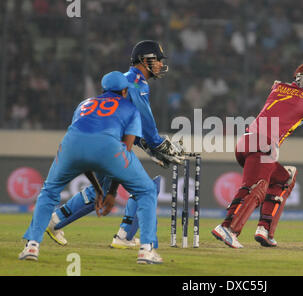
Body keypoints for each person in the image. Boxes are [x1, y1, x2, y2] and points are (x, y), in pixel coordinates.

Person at [45, 40, 183, 250]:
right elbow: (145, 122)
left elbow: (131, 125)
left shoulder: (128, 80)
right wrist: (158, 144)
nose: (160, 65)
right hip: (111, 147)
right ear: (145, 60)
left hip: (101, 141)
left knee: (97, 192)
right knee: (146, 189)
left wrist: (149, 146)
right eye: (157, 60)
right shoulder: (136, 84)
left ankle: (54, 221)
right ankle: (125, 237)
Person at [19, 71, 163, 264]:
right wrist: (110, 192)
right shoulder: (130, 109)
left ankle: (32, 246)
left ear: (103, 89)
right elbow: (125, 151)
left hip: (71, 145)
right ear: (123, 90)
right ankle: (146, 250)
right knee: (146, 190)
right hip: (108, 148)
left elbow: (83, 149)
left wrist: (98, 189)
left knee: (49, 191)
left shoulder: (84, 104)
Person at [211, 63, 303, 248]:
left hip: (246, 142)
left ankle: (264, 230)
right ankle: (228, 228)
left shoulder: (277, 87)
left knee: (284, 179)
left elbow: (292, 95)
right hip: (264, 144)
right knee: (256, 187)